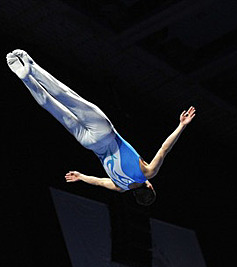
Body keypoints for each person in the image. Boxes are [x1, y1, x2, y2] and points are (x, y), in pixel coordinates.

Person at [6, 49, 196, 206]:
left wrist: (181, 126)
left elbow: (164, 148)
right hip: (88, 143)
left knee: (67, 96)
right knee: (54, 109)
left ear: (150, 186)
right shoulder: (120, 187)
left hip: (105, 132)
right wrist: (80, 176)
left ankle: (31, 66)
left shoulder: (148, 173)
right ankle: (26, 79)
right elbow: (98, 181)